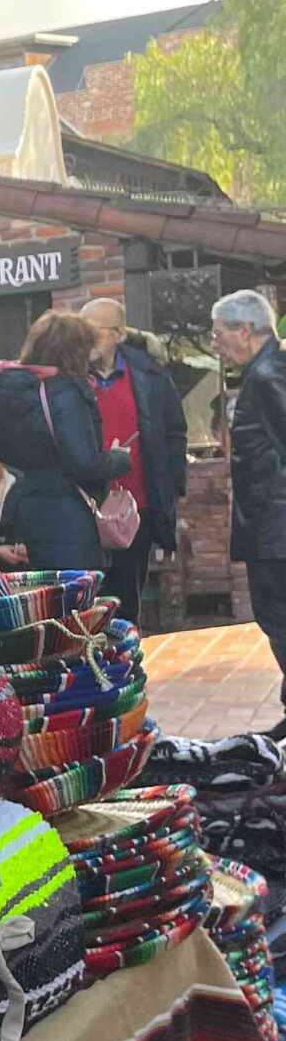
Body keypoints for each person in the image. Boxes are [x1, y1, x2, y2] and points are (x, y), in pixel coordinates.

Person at [0, 311, 129, 576]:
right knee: (77, 603)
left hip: (32, 511)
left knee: (48, 602)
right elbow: (84, 463)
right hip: (70, 518)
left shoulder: (14, 389)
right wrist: (120, 458)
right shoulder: (65, 392)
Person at [81, 295, 189, 621]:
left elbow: (174, 433)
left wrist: (171, 490)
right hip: (83, 507)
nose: (87, 340)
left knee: (126, 601)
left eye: (95, 332)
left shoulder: (150, 376)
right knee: (87, 604)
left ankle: (124, 667)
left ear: (119, 334)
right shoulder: (67, 376)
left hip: (133, 509)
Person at [211, 288, 286, 730]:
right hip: (270, 522)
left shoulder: (269, 374)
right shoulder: (264, 371)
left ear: (244, 330)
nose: (216, 342)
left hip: (276, 525)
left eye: (220, 333)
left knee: (277, 615)